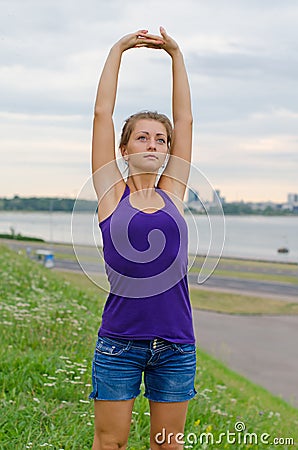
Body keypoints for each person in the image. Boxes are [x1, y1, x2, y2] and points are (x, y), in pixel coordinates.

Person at [89, 26, 196, 450]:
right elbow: (101, 113)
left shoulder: (174, 193)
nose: (153, 144)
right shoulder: (112, 195)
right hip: (119, 344)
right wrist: (117, 50)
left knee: (168, 446)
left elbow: (185, 119)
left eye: (161, 139)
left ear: (169, 149)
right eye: (142, 137)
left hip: (175, 344)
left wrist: (176, 55)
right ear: (124, 148)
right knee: (110, 443)